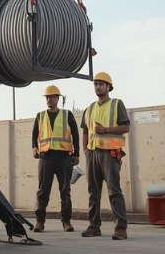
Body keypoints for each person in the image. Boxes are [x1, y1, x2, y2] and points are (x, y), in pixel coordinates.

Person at [80, 72, 130, 240]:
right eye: (96, 84)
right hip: (92, 154)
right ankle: (94, 226)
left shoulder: (116, 104)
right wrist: (86, 151)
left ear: (108, 87)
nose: (98, 86)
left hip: (110, 154)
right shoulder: (89, 108)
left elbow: (126, 127)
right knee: (93, 192)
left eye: (101, 84)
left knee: (113, 191)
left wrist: (106, 130)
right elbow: (85, 131)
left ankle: (121, 228)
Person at [32, 85, 80, 232]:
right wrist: (34, 147)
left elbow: (75, 134)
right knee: (43, 191)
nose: (48, 99)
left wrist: (76, 153)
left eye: (51, 96)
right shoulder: (40, 116)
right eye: (46, 97)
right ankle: (40, 221)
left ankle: (66, 222)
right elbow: (35, 134)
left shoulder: (67, 115)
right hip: (45, 158)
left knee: (65, 190)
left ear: (57, 98)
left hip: (64, 157)